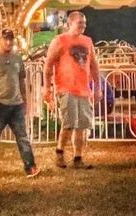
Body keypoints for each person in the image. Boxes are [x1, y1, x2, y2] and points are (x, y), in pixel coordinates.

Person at [0, 28, 38, 178]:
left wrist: (24, 99)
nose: (8, 42)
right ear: (0, 40)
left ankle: (30, 167)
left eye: (11, 39)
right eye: (6, 39)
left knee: (23, 137)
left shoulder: (17, 59)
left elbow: (21, 80)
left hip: (16, 105)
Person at [45, 11, 99, 170]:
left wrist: (97, 88)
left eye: (84, 23)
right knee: (68, 124)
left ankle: (77, 158)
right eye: (80, 23)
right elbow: (48, 64)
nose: (83, 26)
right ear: (70, 23)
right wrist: (47, 87)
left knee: (81, 126)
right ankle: (59, 152)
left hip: (83, 89)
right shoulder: (60, 40)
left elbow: (94, 65)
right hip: (66, 88)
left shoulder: (87, 41)